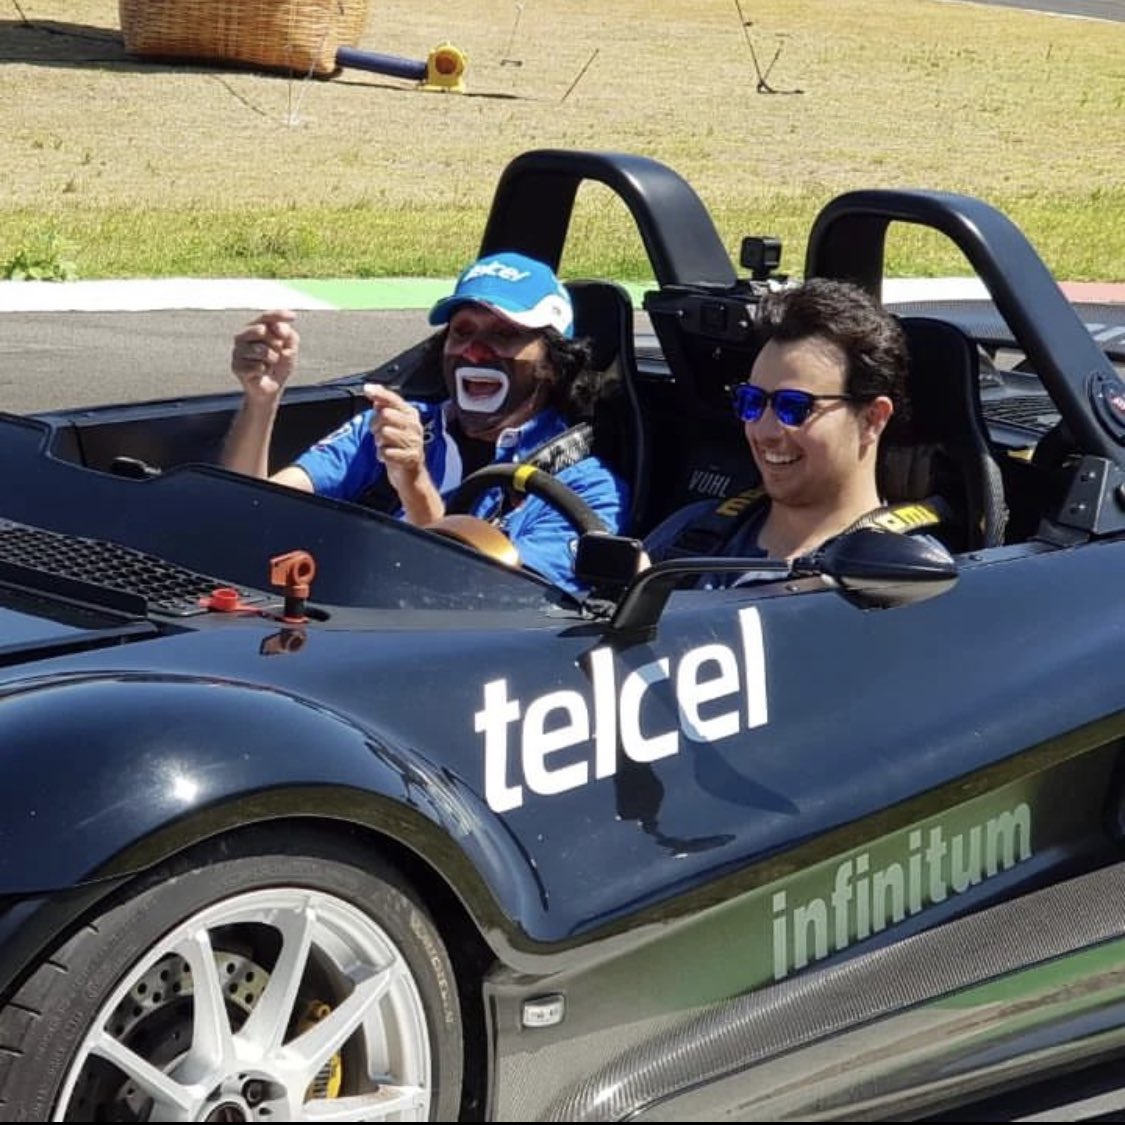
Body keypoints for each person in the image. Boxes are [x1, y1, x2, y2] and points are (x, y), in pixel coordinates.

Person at [221, 251, 630, 595]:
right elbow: (247, 513)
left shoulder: (585, 489)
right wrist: (262, 399)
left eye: (504, 334)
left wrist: (413, 483)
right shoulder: (392, 425)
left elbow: (479, 604)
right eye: (463, 332)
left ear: (551, 365)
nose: (475, 352)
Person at [644, 277, 911, 581]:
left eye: (795, 407)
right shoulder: (689, 534)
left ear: (872, 420)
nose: (764, 431)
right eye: (752, 402)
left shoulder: (899, 576)